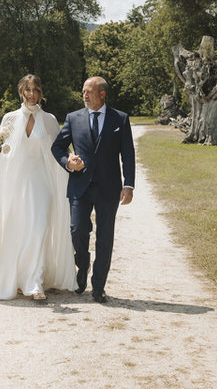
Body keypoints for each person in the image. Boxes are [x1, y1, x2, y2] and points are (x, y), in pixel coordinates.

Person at [0, 74, 76, 300]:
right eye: (28, 90)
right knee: (18, 231)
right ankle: (19, 279)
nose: (32, 94)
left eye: (36, 90)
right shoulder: (10, 119)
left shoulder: (49, 120)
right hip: (17, 184)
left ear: (41, 93)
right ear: (21, 92)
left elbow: (59, 150)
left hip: (42, 184)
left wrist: (72, 160)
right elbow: (4, 150)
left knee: (39, 228)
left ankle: (35, 284)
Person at [51, 76, 135, 303]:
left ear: (102, 94)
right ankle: (82, 266)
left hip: (109, 188)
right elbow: (57, 146)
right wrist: (68, 161)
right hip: (80, 185)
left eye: (89, 92)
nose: (85, 95)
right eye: (83, 91)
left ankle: (99, 287)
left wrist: (128, 184)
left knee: (105, 237)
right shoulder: (73, 118)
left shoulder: (120, 119)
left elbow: (128, 154)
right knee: (77, 230)